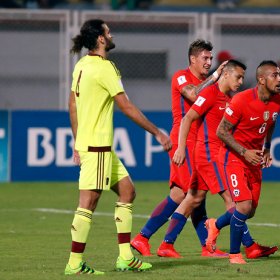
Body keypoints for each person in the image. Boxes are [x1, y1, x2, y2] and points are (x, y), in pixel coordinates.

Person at [65, 19, 172, 275]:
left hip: (94, 146)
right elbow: (126, 106)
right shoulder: (105, 67)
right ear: (101, 39)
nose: (111, 35)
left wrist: (77, 143)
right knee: (88, 202)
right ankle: (74, 263)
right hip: (98, 147)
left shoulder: (81, 65)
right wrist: (156, 131)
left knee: (127, 191)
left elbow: (72, 105)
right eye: (108, 31)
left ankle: (125, 257)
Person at [130, 39, 227, 258]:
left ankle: (203, 246)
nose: (209, 62)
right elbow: (193, 94)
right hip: (184, 141)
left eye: (211, 58)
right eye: (205, 58)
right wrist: (214, 78)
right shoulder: (181, 76)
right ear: (192, 59)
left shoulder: (211, 83)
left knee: (195, 194)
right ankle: (149, 239)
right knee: (186, 194)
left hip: (198, 142)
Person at [159, 60, 246, 258]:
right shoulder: (210, 92)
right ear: (225, 74)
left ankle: (166, 244)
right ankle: (244, 246)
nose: (241, 81)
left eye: (242, 78)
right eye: (237, 77)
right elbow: (187, 118)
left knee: (193, 198)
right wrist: (180, 148)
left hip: (213, 154)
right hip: (208, 155)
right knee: (233, 201)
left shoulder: (228, 98)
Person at [215, 60, 280, 264]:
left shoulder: (279, 100)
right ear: (261, 79)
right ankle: (235, 254)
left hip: (253, 159)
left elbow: (271, 121)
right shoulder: (241, 100)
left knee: (249, 212)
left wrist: (267, 148)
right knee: (243, 207)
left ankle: (214, 225)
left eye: (279, 74)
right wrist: (244, 152)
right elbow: (221, 131)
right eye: (274, 75)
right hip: (234, 157)